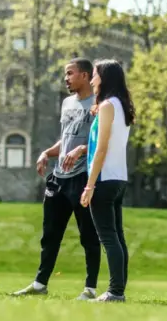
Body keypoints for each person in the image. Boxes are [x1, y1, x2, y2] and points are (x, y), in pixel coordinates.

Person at [13, 58, 101, 300]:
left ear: (84, 75)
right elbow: (67, 137)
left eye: (70, 73)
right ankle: (40, 284)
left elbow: (100, 141)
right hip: (59, 177)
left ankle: (90, 288)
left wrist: (81, 150)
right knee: (50, 234)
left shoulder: (98, 103)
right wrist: (46, 153)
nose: (66, 78)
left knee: (88, 236)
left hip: (83, 178)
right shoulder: (66, 103)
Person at [80, 59, 135, 303]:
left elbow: (101, 149)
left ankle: (115, 292)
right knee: (117, 236)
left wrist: (89, 185)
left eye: (94, 75)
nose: (92, 80)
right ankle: (118, 290)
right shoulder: (122, 105)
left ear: (105, 77)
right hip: (119, 178)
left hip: (103, 178)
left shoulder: (107, 106)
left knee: (108, 238)